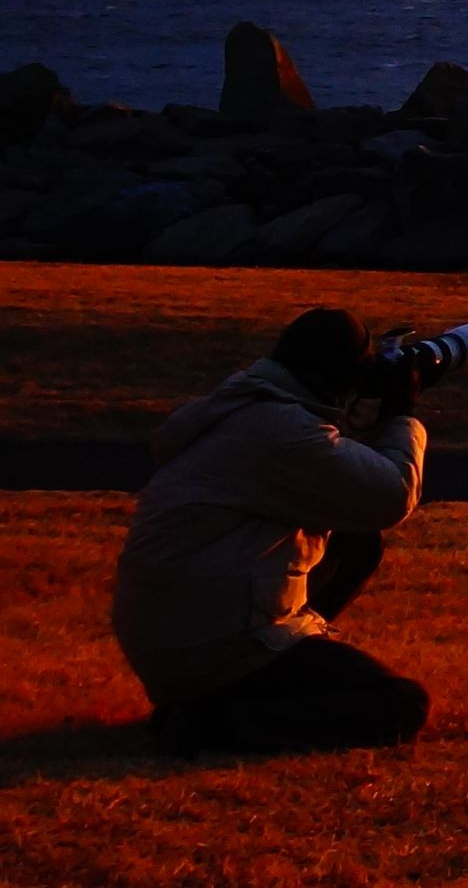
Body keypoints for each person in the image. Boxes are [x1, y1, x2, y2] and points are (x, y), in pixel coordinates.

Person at [114, 306, 432, 755]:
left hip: (178, 635)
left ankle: (218, 701)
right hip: (216, 645)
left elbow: (348, 486)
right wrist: (401, 415)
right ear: (344, 377)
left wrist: (367, 418)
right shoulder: (280, 431)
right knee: (398, 704)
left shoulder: (242, 410)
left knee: (356, 539)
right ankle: (211, 723)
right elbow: (391, 495)